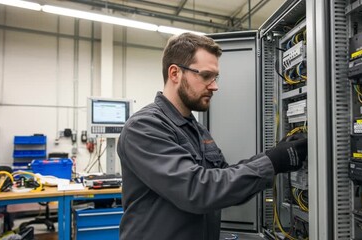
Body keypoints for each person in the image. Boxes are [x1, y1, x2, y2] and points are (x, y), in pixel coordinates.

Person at [117, 32, 308, 240]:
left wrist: (273, 156)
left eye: (215, 77)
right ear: (175, 74)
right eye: (206, 76)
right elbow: (198, 191)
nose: (214, 86)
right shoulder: (144, 127)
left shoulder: (196, 129)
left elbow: (223, 178)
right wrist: (272, 163)